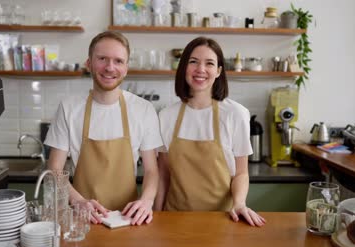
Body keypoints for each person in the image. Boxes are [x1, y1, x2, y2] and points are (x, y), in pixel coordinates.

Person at [45, 31, 163, 226]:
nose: (110, 67)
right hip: (82, 219)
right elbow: (54, 168)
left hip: (129, 220)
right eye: (102, 59)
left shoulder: (143, 109)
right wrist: (77, 201)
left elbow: (152, 170)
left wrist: (146, 201)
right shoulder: (69, 108)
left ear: (126, 68)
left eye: (118, 61)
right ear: (89, 63)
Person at [153, 37, 266, 227]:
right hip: (174, 220)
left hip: (222, 219)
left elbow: (241, 173)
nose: (201, 69)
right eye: (193, 62)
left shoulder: (235, 114)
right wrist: (155, 215)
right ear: (184, 68)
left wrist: (239, 204)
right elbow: (163, 174)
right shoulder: (166, 115)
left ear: (219, 71)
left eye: (210, 63)